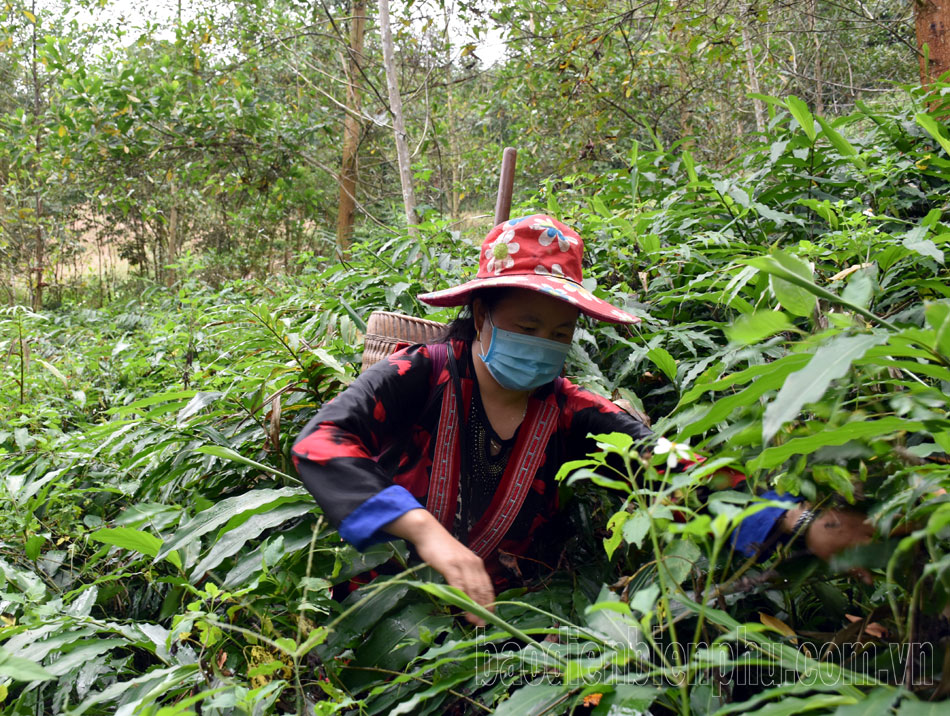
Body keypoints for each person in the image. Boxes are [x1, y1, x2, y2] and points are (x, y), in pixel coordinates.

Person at [292, 214, 873, 623]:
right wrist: (426, 533)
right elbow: (321, 440)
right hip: (393, 599)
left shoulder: (573, 411)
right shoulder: (422, 372)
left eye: (560, 333)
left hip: (523, 617)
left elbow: (676, 470)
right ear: (480, 315)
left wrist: (803, 523)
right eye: (526, 326)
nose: (543, 344)